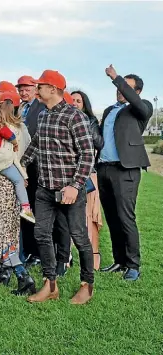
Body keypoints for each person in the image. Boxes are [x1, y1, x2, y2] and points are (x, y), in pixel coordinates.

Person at [21, 70, 95, 304]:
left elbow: (87, 154)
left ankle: (87, 285)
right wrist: (21, 165)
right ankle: (50, 285)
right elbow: (35, 145)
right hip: (45, 188)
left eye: (40, 85)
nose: (37, 89)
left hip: (69, 189)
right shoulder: (42, 116)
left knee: (79, 237)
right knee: (42, 235)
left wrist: (75, 185)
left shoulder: (75, 117)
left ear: (53, 89)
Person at [97, 65, 153, 281]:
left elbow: (136, 102)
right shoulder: (110, 110)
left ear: (136, 91)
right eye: (119, 87)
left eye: (126, 88)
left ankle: (133, 265)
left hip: (125, 170)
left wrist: (116, 77)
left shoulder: (141, 107)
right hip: (104, 168)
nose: (120, 90)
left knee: (125, 217)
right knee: (111, 217)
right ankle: (119, 261)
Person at [15, 75, 47, 265]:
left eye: (27, 88)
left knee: (35, 208)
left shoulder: (41, 108)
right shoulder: (20, 109)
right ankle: (27, 249)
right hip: (20, 165)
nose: (23, 91)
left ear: (35, 89)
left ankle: (37, 252)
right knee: (23, 208)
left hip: (36, 166)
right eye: (21, 88)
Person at [71, 90, 104, 270]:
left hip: (88, 173)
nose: (75, 103)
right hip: (68, 174)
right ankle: (66, 256)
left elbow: (99, 143)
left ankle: (94, 255)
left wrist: (87, 128)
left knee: (90, 216)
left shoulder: (91, 121)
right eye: (73, 100)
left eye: (79, 100)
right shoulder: (65, 120)